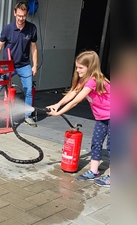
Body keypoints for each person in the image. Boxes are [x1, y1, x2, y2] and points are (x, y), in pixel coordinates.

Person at [46, 50, 111, 187]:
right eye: (76, 67)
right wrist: (57, 105)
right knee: (96, 143)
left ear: (90, 67)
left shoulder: (93, 80)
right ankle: (94, 171)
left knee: (113, 148)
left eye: (80, 67)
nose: (77, 70)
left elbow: (76, 101)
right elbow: (73, 93)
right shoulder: (85, 80)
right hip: (102, 117)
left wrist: (58, 113)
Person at [0, 1, 38, 127]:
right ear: (14, 13)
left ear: (26, 15)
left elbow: (34, 48)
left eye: (24, 16)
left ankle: (27, 116)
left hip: (24, 65)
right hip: (8, 65)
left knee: (28, 91)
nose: (21, 19)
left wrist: (35, 65)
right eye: (19, 16)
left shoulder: (32, 28)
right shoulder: (7, 29)